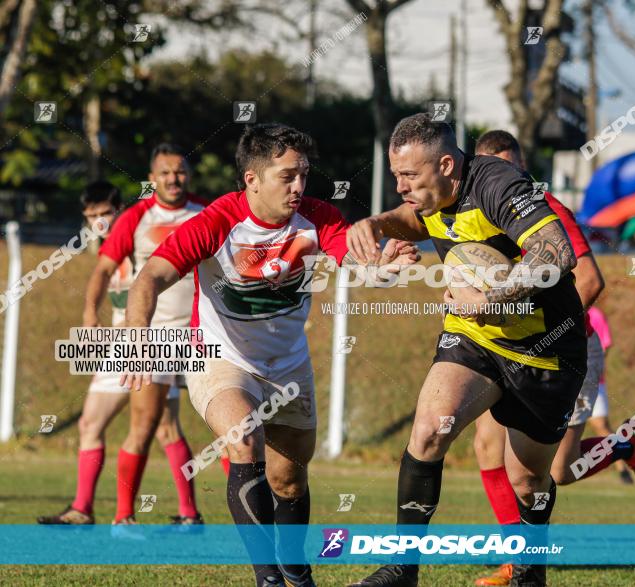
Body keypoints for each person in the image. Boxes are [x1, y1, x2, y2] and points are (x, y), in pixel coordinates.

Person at [121, 123, 418, 587]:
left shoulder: (319, 218)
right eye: (287, 176)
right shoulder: (218, 220)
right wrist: (137, 336)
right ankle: (269, 581)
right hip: (221, 358)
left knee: (289, 481)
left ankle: (297, 573)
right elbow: (150, 278)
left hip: (289, 366)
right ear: (252, 179)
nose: (300, 186)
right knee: (243, 437)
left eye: (304, 174)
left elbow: (358, 263)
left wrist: (386, 268)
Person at [346, 113, 593, 587]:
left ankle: (529, 573)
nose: (400, 186)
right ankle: (403, 569)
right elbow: (416, 219)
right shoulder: (431, 192)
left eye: (409, 176)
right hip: (474, 338)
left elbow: (556, 254)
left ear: (446, 165)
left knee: (528, 480)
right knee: (428, 432)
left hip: (545, 350)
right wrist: (379, 225)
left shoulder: (498, 183)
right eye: (396, 175)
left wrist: (491, 298)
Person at [469, 131, 635, 586]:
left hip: (563, 348)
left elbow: (590, 281)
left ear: (523, 168)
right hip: (505, 347)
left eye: (509, 169)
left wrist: (545, 335)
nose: (499, 180)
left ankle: (623, 445)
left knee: (558, 471)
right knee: (487, 445)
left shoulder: (545, 208)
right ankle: (517, 559)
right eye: (489, 170)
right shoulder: (469, 215)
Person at [37, 178, 203, 526]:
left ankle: (183, 515)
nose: (99, 221)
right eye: (91, 216)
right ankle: (84, 508)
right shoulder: (107, 248)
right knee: (92, 422)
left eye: (105, 213)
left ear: (120, 211)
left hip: (151, 342)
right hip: (120, 344)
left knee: (161, 429)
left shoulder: (136, 235)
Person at [93, 144, 208, 528]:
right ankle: (124, 517)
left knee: (230, 427)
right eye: (165, 173)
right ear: (152, 179)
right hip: (151, 338)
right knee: (144, 426)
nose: (174, 179)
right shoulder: (137, 217)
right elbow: (103, 268)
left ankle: (194, 515)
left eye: (180, 172)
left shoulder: (207, 213)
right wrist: (88, 311)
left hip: (201, 335)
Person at [583, 307, 634, 485]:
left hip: (591, 382)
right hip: (565, 381)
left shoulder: (595, 315)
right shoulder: (561, 307)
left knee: (601, 425)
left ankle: (623, 468)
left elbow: (604, 346)